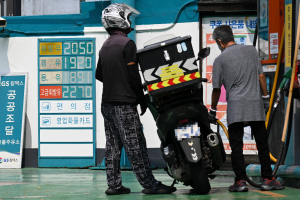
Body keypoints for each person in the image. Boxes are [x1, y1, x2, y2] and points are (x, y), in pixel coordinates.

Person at [95, 3, 176, 195]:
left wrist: (115, 79)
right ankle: (149, 184)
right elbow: (134, 76)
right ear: (120, 19)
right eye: (128, 17)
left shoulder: (105, 46)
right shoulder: (127, 44)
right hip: (124, 104)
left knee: (113, 147)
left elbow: (99, 75)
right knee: (135, 144)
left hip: (107, 104)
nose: (129, 21)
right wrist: (141, 99)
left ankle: (113, 185)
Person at [208, 25, 285, 192]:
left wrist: (213, 110)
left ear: (220, 42)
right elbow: (261, 76)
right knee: (262, 144)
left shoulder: (219, 60)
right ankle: (267, 178)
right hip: (255, 104)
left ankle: (240, 182)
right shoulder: (251, 51)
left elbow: (216, 88)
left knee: (237, 145)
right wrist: (265, 99)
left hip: (235, 106)